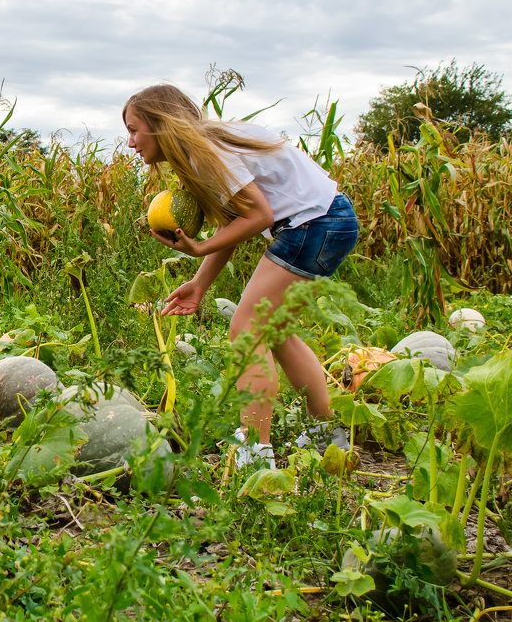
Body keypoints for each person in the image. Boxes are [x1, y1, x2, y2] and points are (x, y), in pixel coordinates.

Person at [123, 83, 359, 468]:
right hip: (327, 219)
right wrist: (200, 283)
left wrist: (198, 249)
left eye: (134, 129)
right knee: (273, 330)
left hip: (313, 223)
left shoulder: (207, 152)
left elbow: (260, 217)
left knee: (246, 329)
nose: (130, 142)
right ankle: (325, 434)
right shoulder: (204, 149)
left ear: (160, 123)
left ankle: (255, 449)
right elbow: (234, 221)